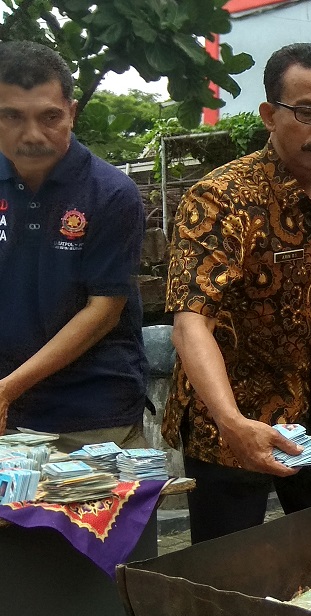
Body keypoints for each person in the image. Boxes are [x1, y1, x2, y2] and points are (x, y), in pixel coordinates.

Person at [162, 43, 311, 543]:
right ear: (269, 116)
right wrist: (233, 422)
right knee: (227, 571)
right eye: (306, 112)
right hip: (229, 423)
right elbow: (191, 322)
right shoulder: (219, 198)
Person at [0, 41, 148, 453]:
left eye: (50, 117)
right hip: (9, 416)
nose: (32, 135)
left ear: (72, 112)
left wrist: (7, 389)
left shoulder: (111, 194)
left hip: (94, 418)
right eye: (11, 116)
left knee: (100, 519)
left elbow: (102, 311)